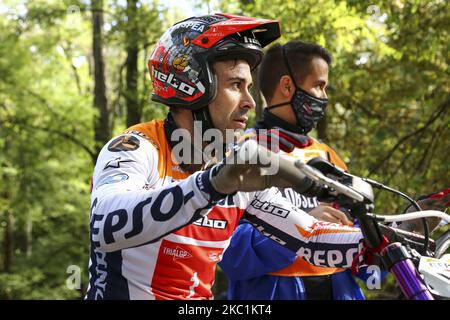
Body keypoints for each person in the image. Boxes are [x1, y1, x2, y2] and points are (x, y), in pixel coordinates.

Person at [85, 14, 368, 300]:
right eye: (236, 85)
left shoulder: (234, 166)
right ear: (192, 86)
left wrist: (389, 239)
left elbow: (311, 238)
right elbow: (105, 225)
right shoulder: (136, 147)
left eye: (249, 87)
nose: (251, 102)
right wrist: (211, 185)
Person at [219, 41, 378, 300]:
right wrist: (304, 223)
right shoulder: (240, 155)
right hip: (272, 292)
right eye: (319, 85)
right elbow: (229, 249)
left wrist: (399, 236)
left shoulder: (328, 157)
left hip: (341, 289)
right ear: (287, 86)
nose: (324, 97)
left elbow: (362, 249)